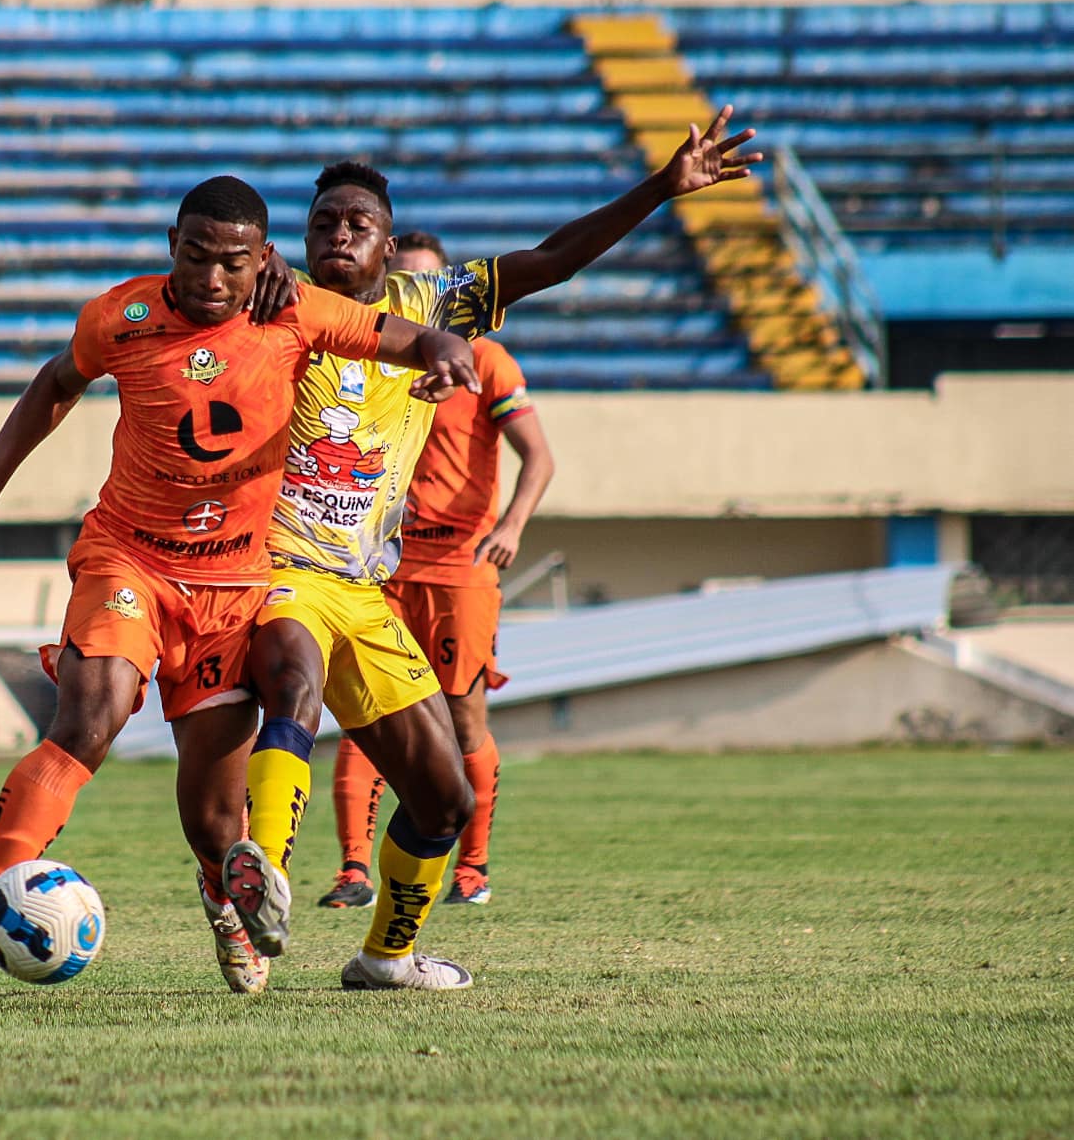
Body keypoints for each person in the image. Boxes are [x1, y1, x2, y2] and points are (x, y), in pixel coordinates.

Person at [0, 174, 490, 1014]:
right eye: (195, 257)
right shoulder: (121, 316)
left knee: (218, 826)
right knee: (87, 721)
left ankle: (225, 897)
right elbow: (53, 386)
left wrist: (443, 351)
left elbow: (400, 336)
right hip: (129, 562)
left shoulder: (294, 310)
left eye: (230, 263)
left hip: (231, 586)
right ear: (171, 247)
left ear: (262, 261)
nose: (210, 279)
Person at [226, 107, 760, 985]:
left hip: (365, 587)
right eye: (323, 222)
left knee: (444, 794)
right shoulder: (271, 306)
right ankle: (264, 876)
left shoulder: (430, 305)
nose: (339, 234)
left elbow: (550, 260)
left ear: (388, 244)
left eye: (358, 223)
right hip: (279, 569)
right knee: (292, 682)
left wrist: (662, 189)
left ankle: (384, 960)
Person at [322, 315, 554, 912]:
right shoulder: (372, 354)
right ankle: (353, 870)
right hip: (384, 561)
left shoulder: (488, 361)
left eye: (428, 287)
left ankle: (472, 869)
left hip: (461, 567)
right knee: (365, 709)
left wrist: (512, 526)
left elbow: (539, 458)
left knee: (464, 717)